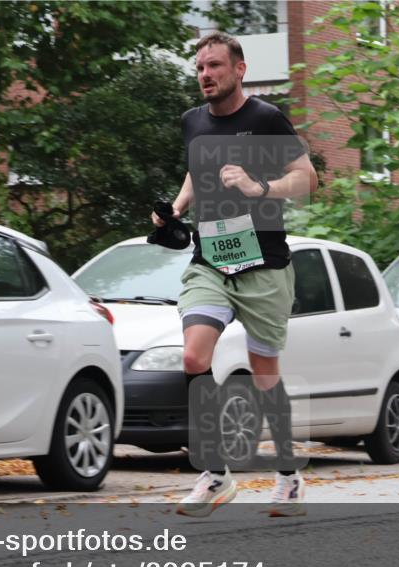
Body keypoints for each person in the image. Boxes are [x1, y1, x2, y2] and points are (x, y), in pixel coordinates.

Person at [150, 32, 318, 517]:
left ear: (239, 70)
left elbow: (307, 179)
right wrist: (176, 208)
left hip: (263, 263)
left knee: (265, 376)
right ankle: (215, 473)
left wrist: (257, 186)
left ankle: (288, 476)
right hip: (211, 260)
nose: (206, 75)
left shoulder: (265, 119)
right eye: (200, 67)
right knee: (193, 356)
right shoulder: (192, 122)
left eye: (215, 66)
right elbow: (195, 171)